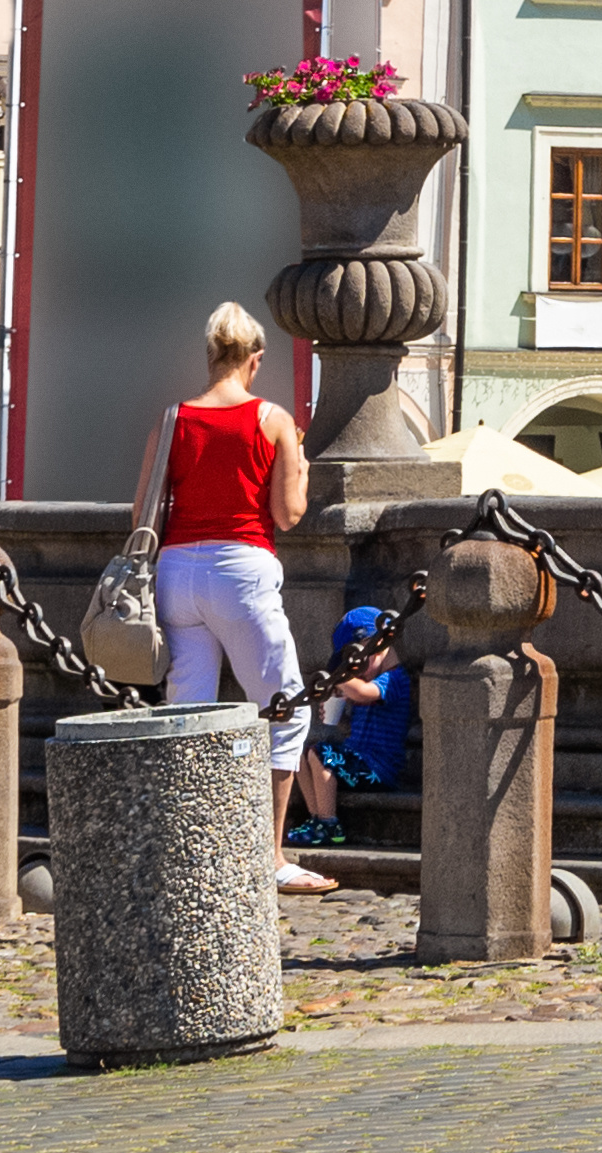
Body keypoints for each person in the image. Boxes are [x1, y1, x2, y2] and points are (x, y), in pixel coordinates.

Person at [124, 305, 336, 897]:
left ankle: (185, 849)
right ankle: (267, 855)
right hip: (241, 567)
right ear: (255, 359)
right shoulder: (271, 420)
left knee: (186, 711)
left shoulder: (173, 418)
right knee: (285, 706)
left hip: (175, 573)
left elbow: (140, 511)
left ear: (211, 355)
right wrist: (301, 463)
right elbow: (288, 516)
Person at [290, 603, 409, 843]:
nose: (356, 672)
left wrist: (340, 679)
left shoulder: (395, 678)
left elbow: (364, 693)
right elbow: (357, 713)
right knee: (299, 753)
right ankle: (316, 818)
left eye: (356, 665)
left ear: (375, 647)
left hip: (378, 770)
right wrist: (338, 713)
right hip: (358, 761)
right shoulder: (373, 679)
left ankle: (329, 823)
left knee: (321, 754)